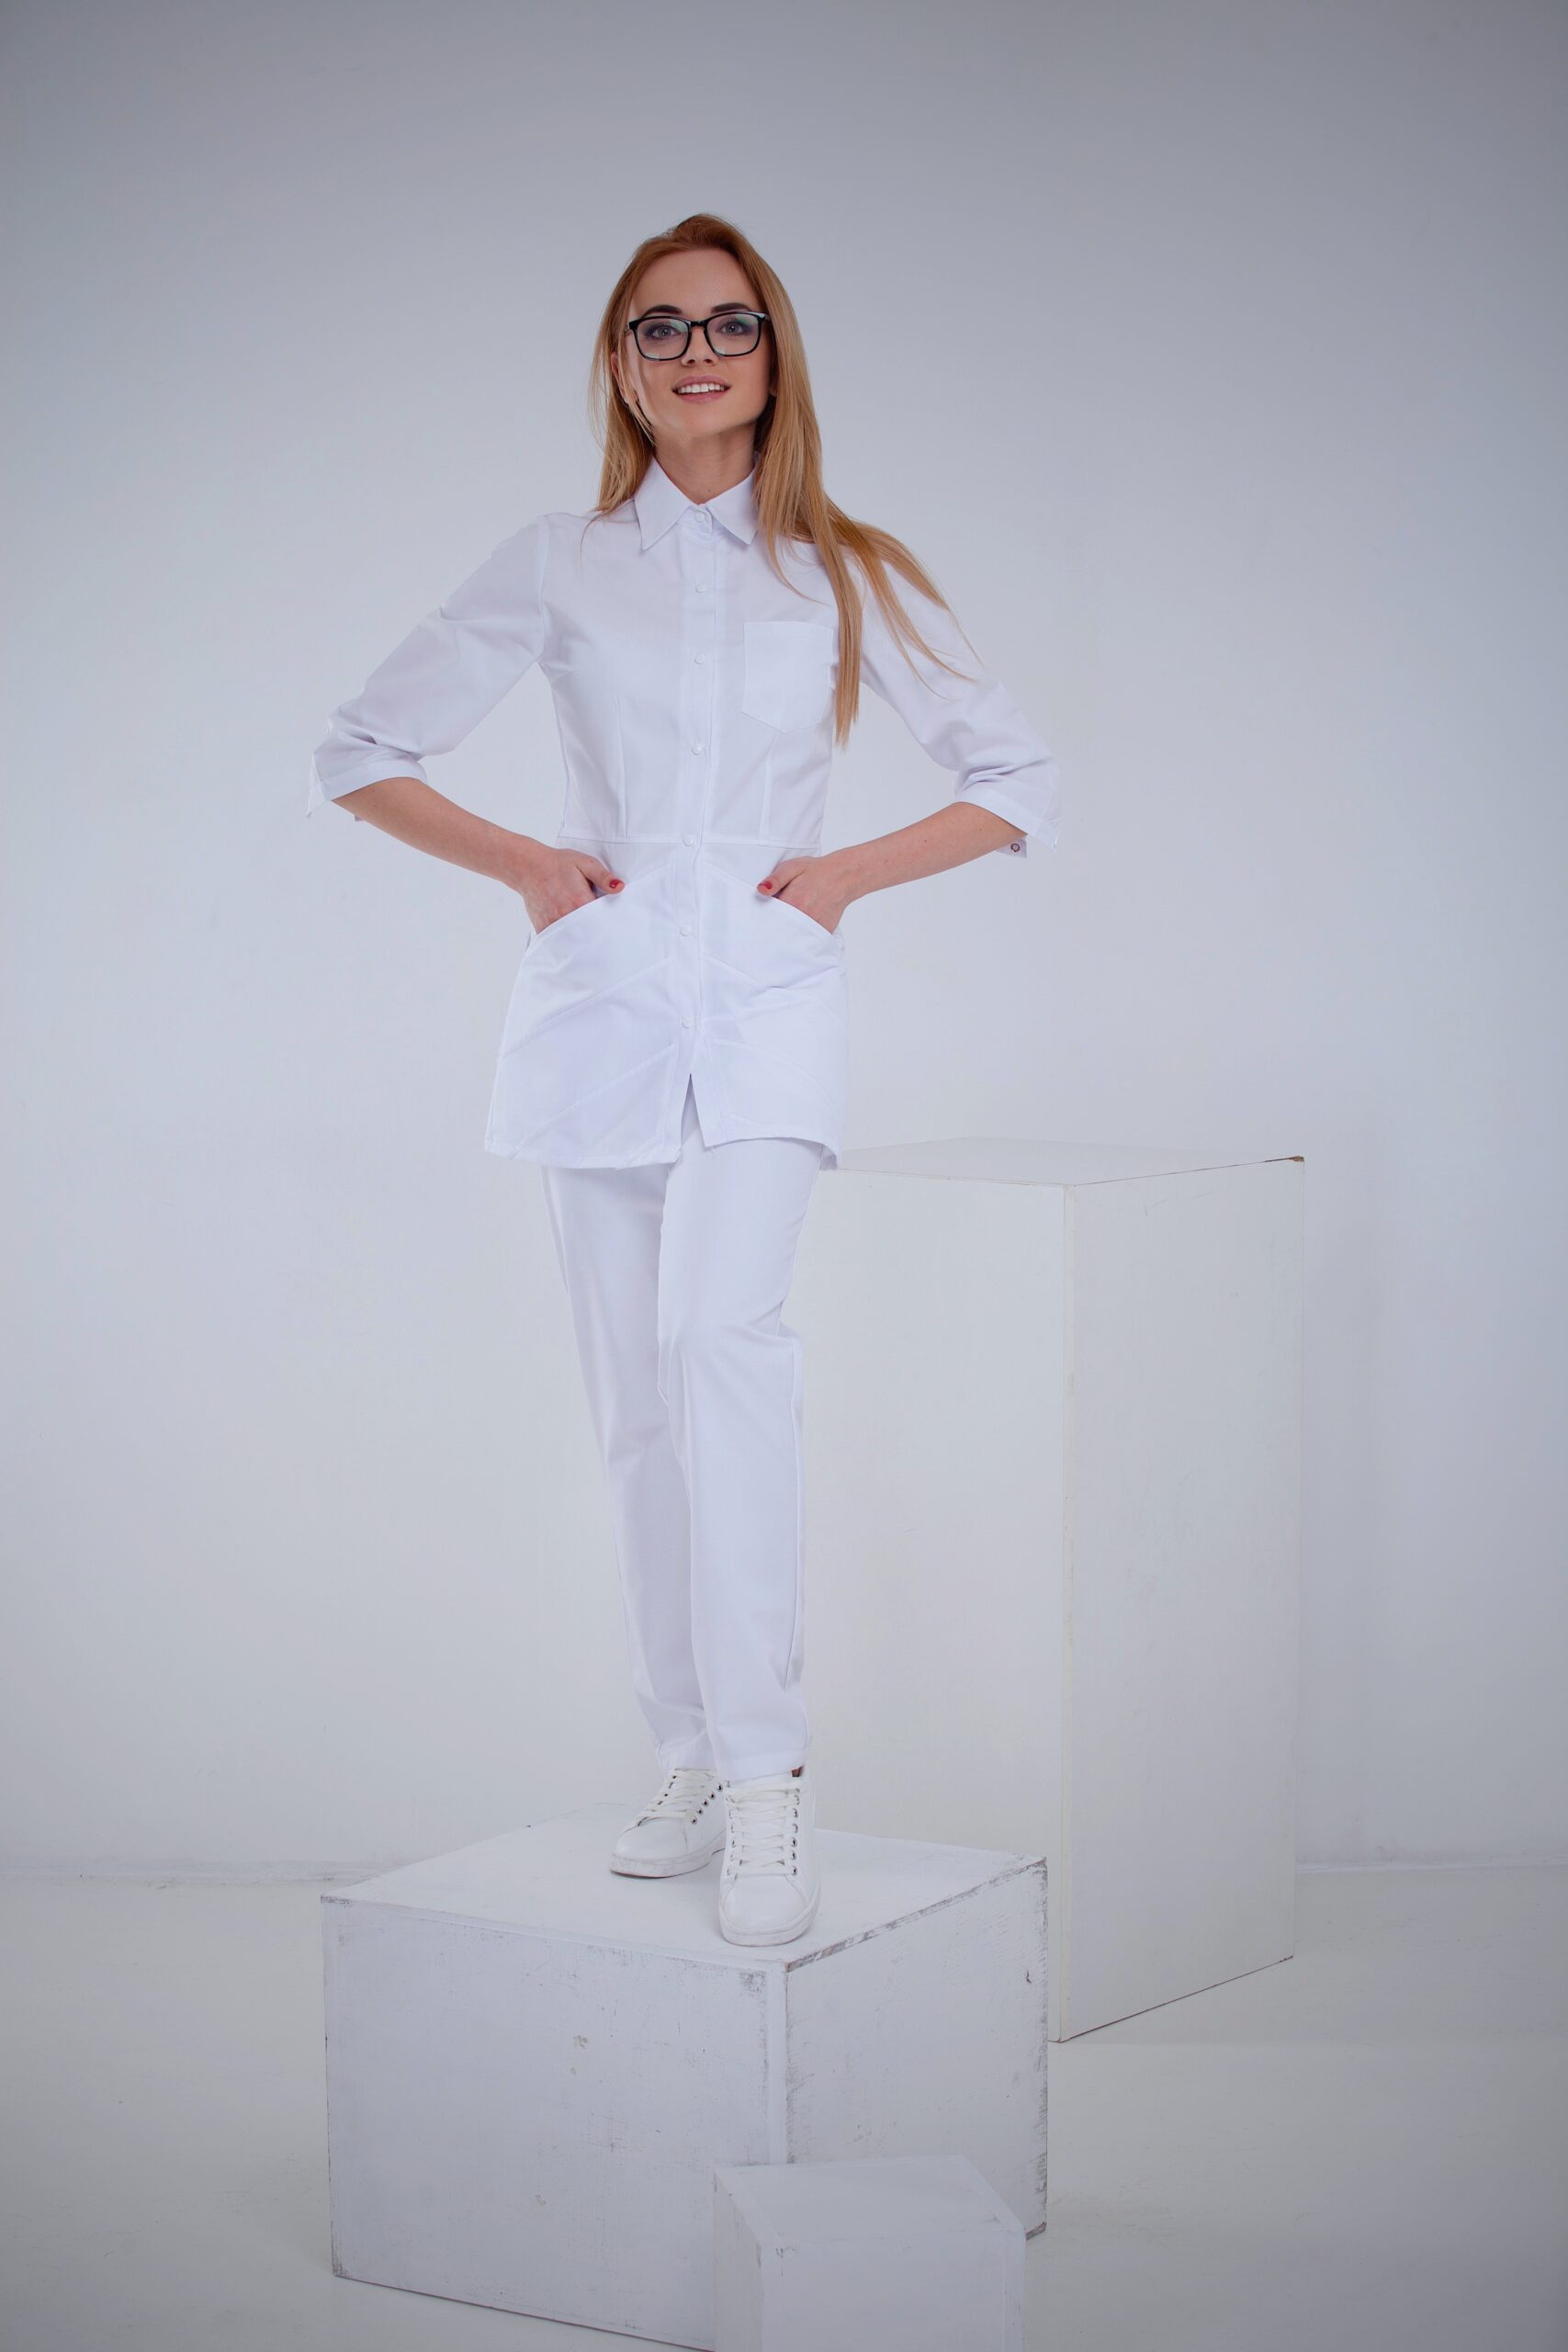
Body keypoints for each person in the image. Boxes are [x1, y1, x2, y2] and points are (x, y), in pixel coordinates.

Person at [307, 211, 1061, 1948]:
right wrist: (525, 862)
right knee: (635, 1399)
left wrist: (847, 874)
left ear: (774, 355)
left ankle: (774, 1771)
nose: (697, 351)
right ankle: (692, 1754)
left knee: (723, 1342)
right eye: (661, 327)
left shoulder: (846, 569)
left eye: (729, 324)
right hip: (604, 1009)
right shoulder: (561, 563)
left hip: (772, 1005)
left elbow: (1017, 775)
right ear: (621, 363)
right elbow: (358, 748)